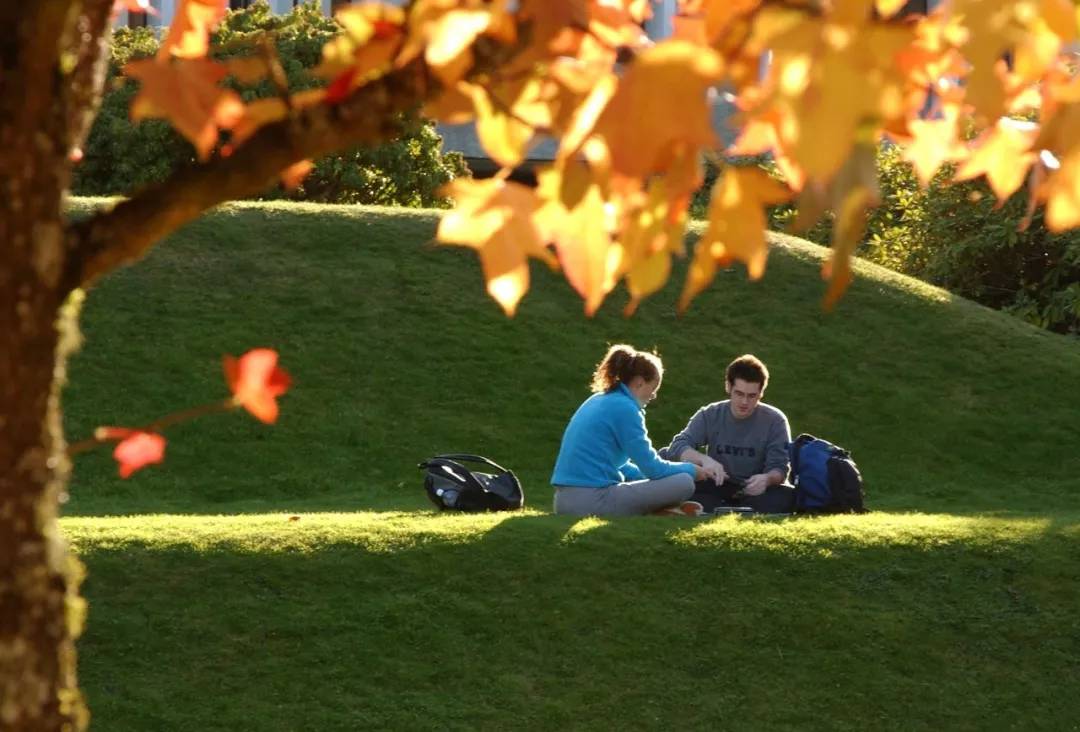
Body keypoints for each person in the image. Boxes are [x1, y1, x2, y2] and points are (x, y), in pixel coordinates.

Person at [551, 344, 707, 516]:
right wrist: (692, 470)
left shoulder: (599, 399)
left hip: (563, 501)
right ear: (640, 383)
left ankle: (661, 509)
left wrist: (649, 481)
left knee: (667, 479)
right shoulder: (625, 408)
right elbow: (653, 468)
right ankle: (659, 508)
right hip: (593, 500)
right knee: (684, 482)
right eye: (653, 389)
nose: (653, 396)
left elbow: (621, 466)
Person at [660, 354, 794, 514]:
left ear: (761, 393)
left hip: (756, 490)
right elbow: (677, 447)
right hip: (716, 484)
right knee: (682, 482)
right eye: (739, 394)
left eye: (752, 396)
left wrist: (766, 479)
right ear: (728, 388)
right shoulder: (710, 414)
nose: (744, 402)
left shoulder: (775, 420)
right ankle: (719, 508)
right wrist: (705, 460)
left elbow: (780, 468)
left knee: (789, 496)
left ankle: (715, 509)